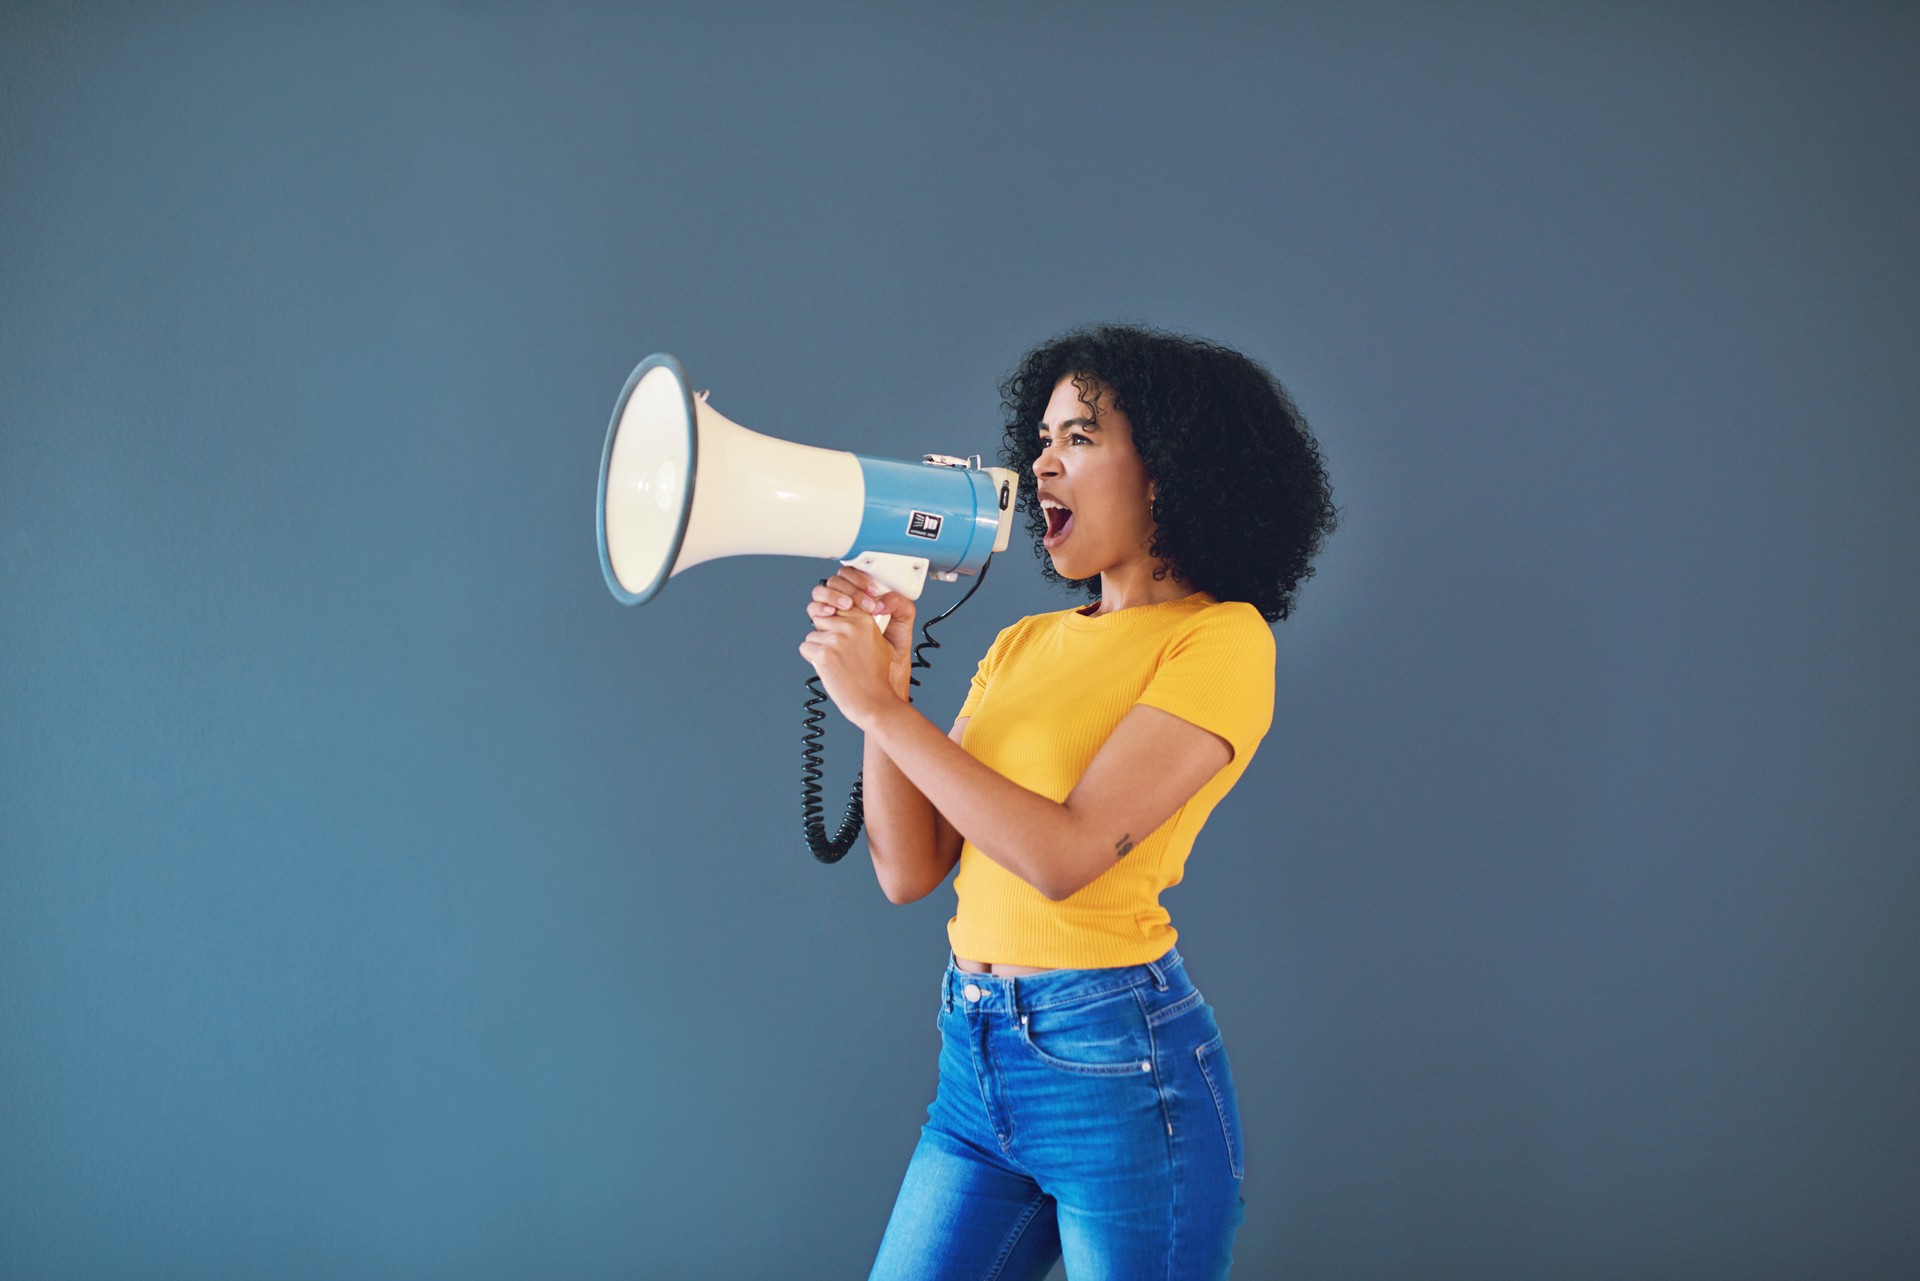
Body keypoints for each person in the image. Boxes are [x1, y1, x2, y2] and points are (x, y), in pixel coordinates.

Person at [798, 322, 1339, 1280]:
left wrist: (884, 707)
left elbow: (1065, 854)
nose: (1041, 463)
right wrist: (887, 696)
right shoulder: (1024, 644)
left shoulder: (1219, 641)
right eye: (1041, 438)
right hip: (975, 1058)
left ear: (1168, 470)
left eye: (1079, 438)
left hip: (1120, 1071)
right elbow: (910, 868)